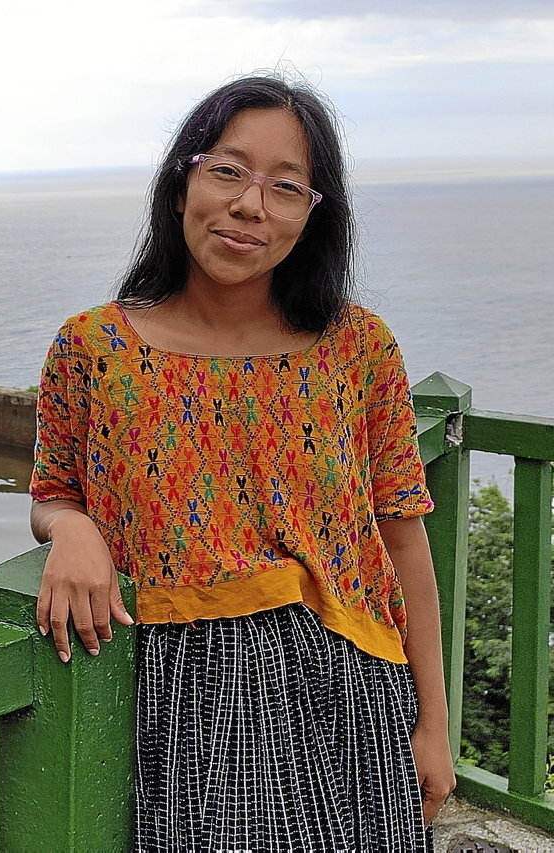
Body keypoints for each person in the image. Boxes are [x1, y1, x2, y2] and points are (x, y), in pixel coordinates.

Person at [29, 75, 457, 850]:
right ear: (182, 178)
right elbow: (53, 490)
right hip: (193, 705)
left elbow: (402, 536)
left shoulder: (357, 347)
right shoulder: (93, 348)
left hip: (357, 691)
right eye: (228, 170)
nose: (251, 205)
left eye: (286, 187)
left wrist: (434, 723)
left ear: (312, 216)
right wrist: (71, 527)